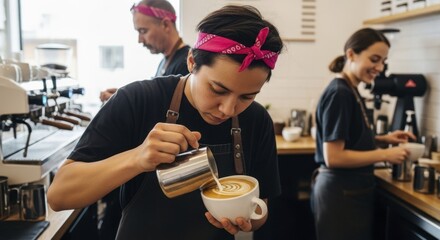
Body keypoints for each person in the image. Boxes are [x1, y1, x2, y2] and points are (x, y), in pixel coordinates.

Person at [48, 5, 283, 239]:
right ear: (192, 61)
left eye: (247, 96)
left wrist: (247, 221)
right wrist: (138, 158)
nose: (228, 109)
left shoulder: (257, 120)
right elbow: (59, 196)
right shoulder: (136, 101)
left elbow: (260, 208)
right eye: (217, 89)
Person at [311, 28, 416, 240]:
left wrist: (382, 139)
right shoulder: (340, 93)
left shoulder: (350, 88)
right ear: (351, 54)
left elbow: (346, 137)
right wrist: (386, 154)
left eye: (383, 61)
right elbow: (334, 156)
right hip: (340, 192)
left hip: (348, 191)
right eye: (374, 59)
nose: (379, 68)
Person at [99, 0, 190, 102]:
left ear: (166, 25)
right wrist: (124, 95)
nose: (140, 40)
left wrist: (126, 101)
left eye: (143, 31)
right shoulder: (165, 61)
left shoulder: (186, 64)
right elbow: (155, 98)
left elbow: (162, 110)